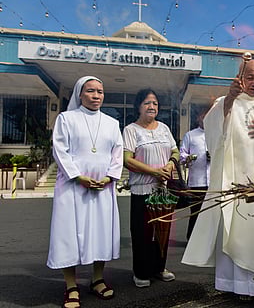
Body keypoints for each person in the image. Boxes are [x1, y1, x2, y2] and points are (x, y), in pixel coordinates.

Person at [182, 59, 254, 300]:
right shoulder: (226, 102)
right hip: (240, 183)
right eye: (250, 77)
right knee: (241, 233)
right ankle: (241, 287)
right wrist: (228, 100)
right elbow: (213, 129)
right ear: (240, 77)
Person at [47, 76, 123, 308]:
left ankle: (97, 279)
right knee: (69, 234)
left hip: (102, 188)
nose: (96, 96)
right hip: (72, 187)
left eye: (100, 91)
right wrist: (78, 176)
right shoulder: (66, 119)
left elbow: (117, 152)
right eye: (91, 91)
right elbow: (59, 149)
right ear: (80, 94)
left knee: (101, 233)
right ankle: (71, 285)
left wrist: (110, 177)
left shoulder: (111, 123)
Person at [123, 88, 179, 288]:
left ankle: (159, 268)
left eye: (155, 103)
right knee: (143, 233)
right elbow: (127, 160)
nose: (152, 106)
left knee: (163, 231)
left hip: (162, 190)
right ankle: (141, 272)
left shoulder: (163, 128)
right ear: (138, 106)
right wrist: (154, 172)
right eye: (147, 103)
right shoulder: (131, 130)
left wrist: (170, 164)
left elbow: (175, 150)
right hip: (142, 190)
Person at [179, 111, 210, 240]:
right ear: (199, 117)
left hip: (213, 180)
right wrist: (189, 158)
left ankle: (207, 241)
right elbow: (182, 154)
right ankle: (191, 239)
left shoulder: (216, 134)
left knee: (210, 214)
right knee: (196, 212)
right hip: (196, 181)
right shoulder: (190, 135)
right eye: (203, 116)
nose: (205, 119)